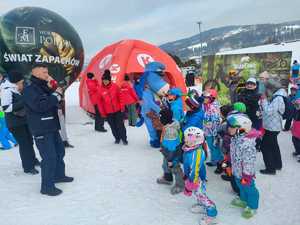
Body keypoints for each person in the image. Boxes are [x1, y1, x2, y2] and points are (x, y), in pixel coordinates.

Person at [23, 63, 73, 196]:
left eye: (47, 72)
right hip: (41, 129)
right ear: (36, 72)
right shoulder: (30, 89)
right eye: (45, 72)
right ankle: (47, 187)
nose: (47, 74)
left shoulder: (43, 87)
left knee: (59, 152)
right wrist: (55, 95)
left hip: (52, 126)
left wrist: (56, 93)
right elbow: (40, 106)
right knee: (49, 157)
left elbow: (53, 101)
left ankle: (58, 175)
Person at [0, 71, 39, 174]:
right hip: (15, 123)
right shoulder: (7, 90)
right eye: (21, 82)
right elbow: (6, 108)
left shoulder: (17, 88)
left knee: (29, 141)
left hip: (24, 120)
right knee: (24, 144)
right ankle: (28, 167)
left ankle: (33, 160)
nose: (23, 83)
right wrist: (23, 102)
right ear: (16, 81)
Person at [183, 127, 217, 225]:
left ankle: (212, 213)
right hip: (192, 178)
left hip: (196, 179)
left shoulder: (197, 153)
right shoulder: (189, 149)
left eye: (187, 139)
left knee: (201, 195)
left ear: (195, 141)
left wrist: (190, 183)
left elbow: (195, 169)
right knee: (198, 194)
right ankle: (202, 204)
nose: (185, 140)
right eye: (185, 138)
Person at [227, 114, 260, 219]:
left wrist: (247, 175)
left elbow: (249, 161)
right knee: (240, 185)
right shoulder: (235, 138)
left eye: (232, 127)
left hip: (246, 173)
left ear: (241, 129)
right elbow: (233, 151)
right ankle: (243, 199)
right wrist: (228, 160)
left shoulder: (247, 144)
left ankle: (252, 206)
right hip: (237, 170)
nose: (229, 129)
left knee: (249, 188)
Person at [259, 79, 286, 175]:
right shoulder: (277, 96)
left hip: (273, 127)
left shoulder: (278, 98)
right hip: (272, 126)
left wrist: (264, 99)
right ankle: (277, 164)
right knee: (274, 145)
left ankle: (270, 169)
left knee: (265, 147)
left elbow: (269, 111)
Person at [157, 108, 184, 195]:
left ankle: (180, 185)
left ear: (165, 119)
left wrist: (170, 160)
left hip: (172, 154)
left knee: (175, 169)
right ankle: (168, 179)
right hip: (167, 152)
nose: (159, 119)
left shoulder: (170, 132)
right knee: (165, 166)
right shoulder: (171, 122)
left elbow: (172, 148)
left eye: (160, 117)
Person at [97, 70, 127, 145]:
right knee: (113, 126)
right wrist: (102, 113)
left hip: (117, 110)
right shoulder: (100, 89)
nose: (105, 82)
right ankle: (117, 138)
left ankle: (124, 138)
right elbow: (99, 103)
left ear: (109, 80)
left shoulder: (115, 87)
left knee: (120, 125)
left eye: (106, 80)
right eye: (104, 80)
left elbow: (121, 97)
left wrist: (122, 107)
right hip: (108, 112)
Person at [202, 89, 223, 167]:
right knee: (212, 147)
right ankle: (215, 160)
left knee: (213, 146)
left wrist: (214, 134)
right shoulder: (208, 105)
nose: (204, 99)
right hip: (209, 131)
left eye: (206, 97)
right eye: (203, 97)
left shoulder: (213, 107)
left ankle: (218, 162)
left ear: (211, 98)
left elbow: (215, 122)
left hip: (212, 132)